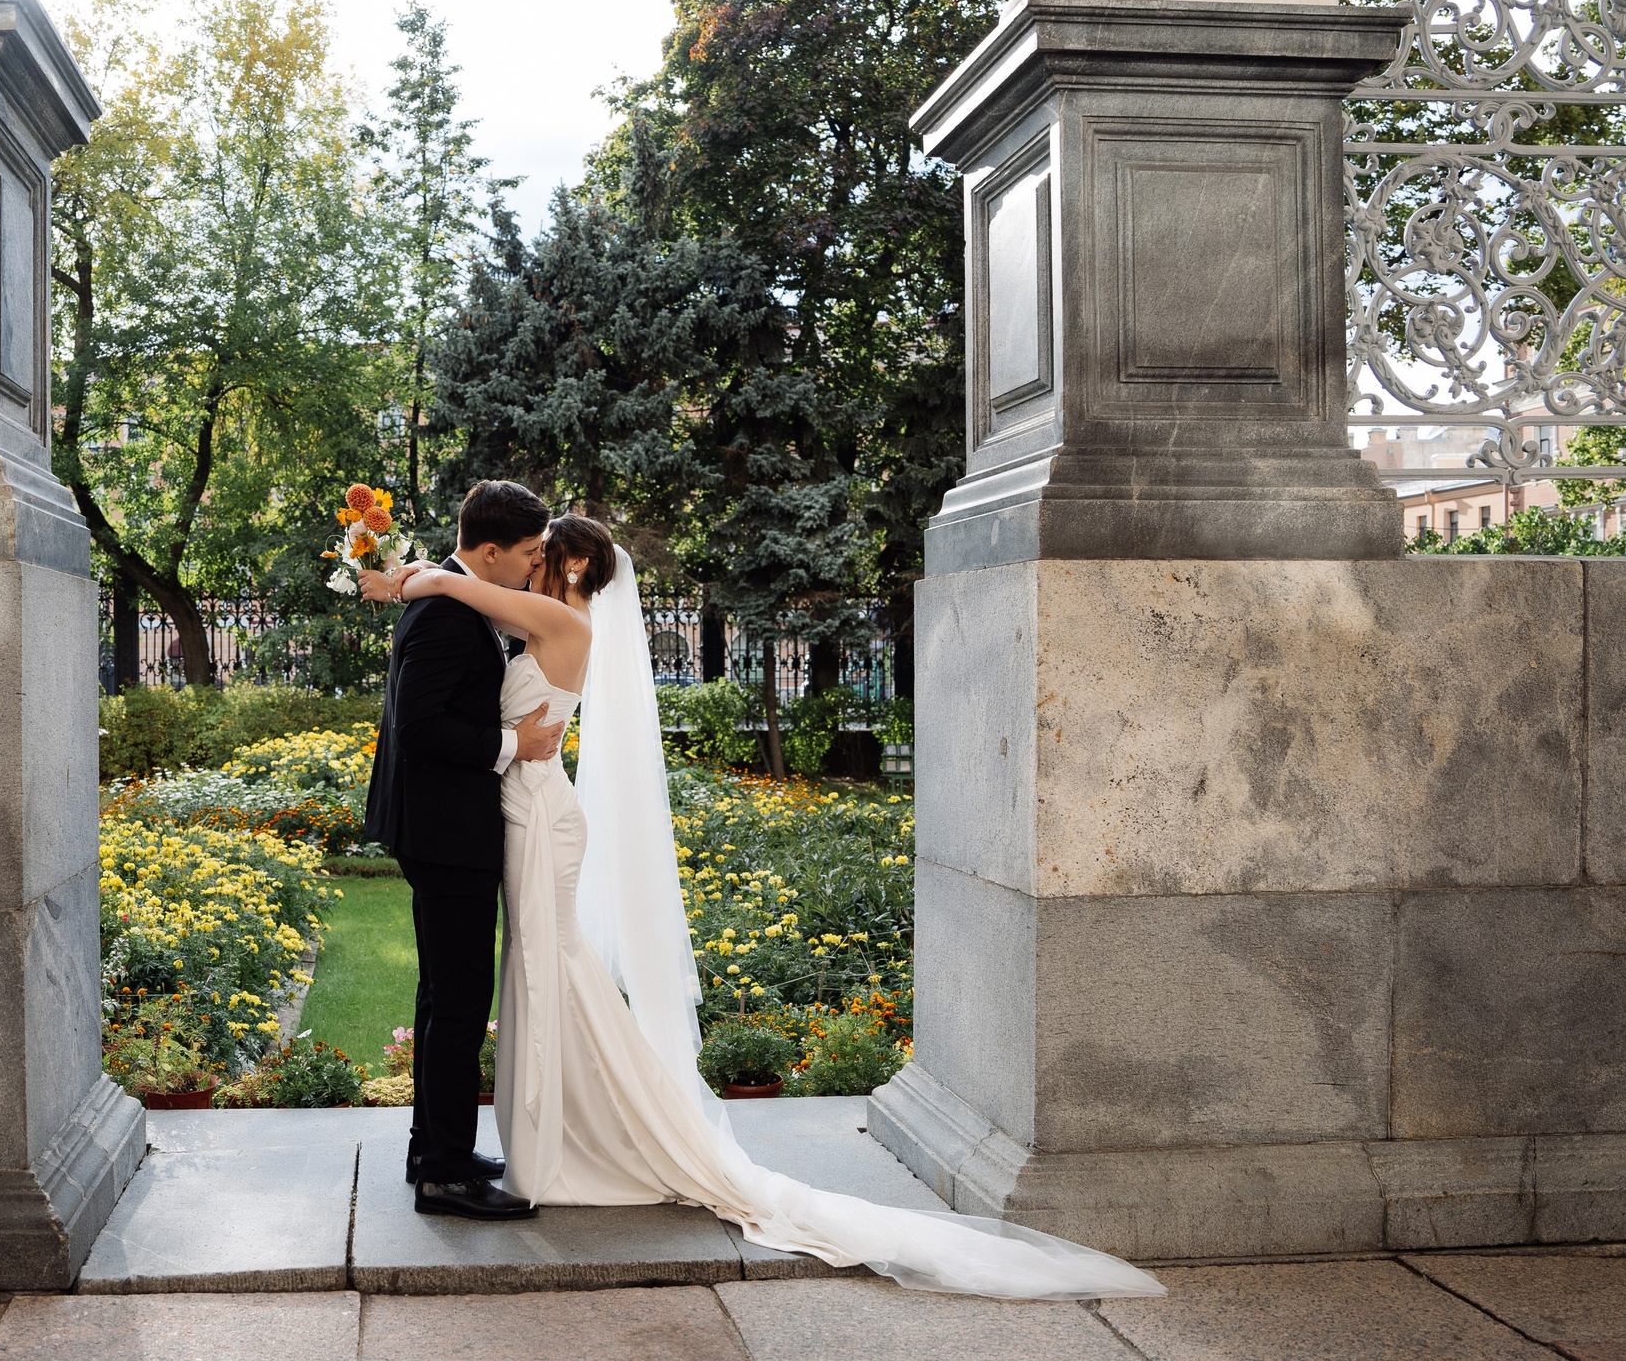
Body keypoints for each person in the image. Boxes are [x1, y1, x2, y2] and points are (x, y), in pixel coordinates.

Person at [363, 514, 1164, 1300]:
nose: (533, 565)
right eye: (528, 553)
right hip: (518, 811)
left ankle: (569, 1138)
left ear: (570, 569)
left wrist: (412, 578)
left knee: (546, 964)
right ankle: (507, 1144)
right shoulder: (542, 617)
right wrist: (422, 581)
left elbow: (460, 590)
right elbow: (471, 611)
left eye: (544, 555)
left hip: (538, 817)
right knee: (524, 969)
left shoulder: (560, 621)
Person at [362, 480, 562, 1221]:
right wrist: (514, 744)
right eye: (530, 552)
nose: (536, 564)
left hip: (438, 827)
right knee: (459, 1002)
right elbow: (419, 727)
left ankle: (433, 1149)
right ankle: (444, 1175)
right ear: (491, 551)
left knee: (443, 996)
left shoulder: (454, 598)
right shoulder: (447, 614)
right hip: (446, 833)